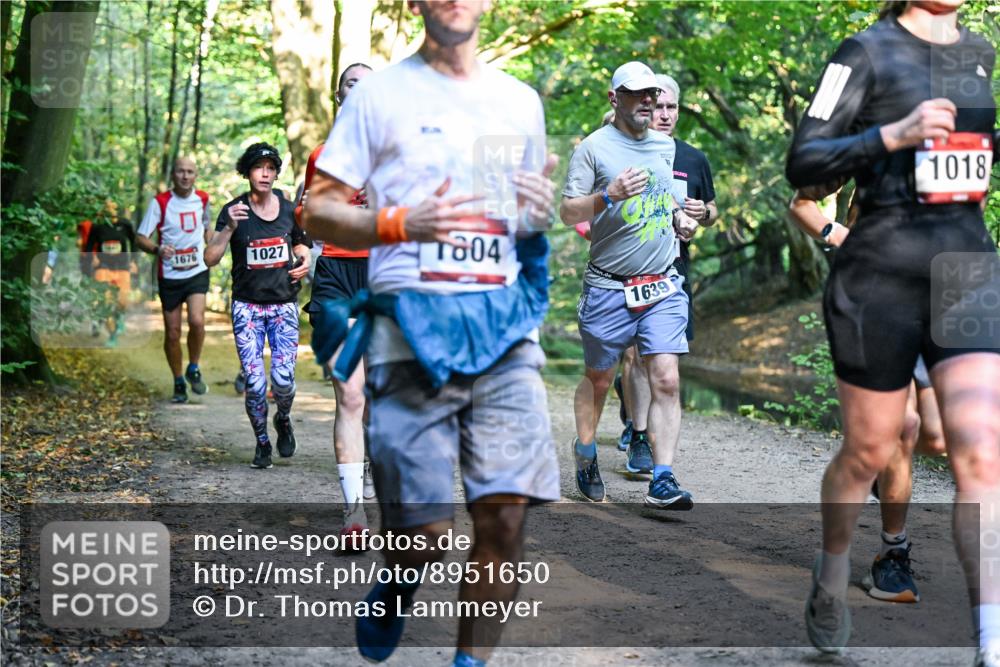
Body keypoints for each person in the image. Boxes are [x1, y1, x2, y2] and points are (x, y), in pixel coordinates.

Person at [303, 1, 559, 664]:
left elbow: (527, 214)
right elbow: (318, 212)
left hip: (502, 332)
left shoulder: (519, 102)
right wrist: (396, 223)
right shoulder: (379, 96)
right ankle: (396, 578)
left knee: (504, 516)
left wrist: (538, 215)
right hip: (407, 333)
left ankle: (468, 661)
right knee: (422, 534)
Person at [786, 1, 1000, 660]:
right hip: (879, 272)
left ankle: (989, 641)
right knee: (869, 450)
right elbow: (804, 164)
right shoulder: (864, 52)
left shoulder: (977, 53)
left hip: (965, 266)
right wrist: (892, 135)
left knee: (982, 455)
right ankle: (831, 575)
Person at [789, 180, 948, 604]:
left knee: (937, 437)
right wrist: (839, 235)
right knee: (904, 425)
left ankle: (883, 467)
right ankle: (892, 553)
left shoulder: (963, 131)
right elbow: (802, 202)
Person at [561, 60, 699, 507]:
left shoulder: (665, 146)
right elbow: (567, 214)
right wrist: (608, 196)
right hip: (608, 286)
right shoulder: (593, 149)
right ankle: (585, 452)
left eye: (651, 94)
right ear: (614, 98)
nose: (648, 102)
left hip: (661, 284)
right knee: (599, 380)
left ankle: (662, 477)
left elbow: (667, 201)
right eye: (637, 94)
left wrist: (682, 220)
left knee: (666, 377)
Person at [615, 73, 720, 453]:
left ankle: (647, 439)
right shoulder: (623, 151)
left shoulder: (693, 158)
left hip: (674, 270)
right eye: (657, 106)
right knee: (634, 354)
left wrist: (701, 212)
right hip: (626, 268)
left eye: (671, 107)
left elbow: (712, 209)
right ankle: (638, 429)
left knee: (662, 365)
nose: (664, 114)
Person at [296, 62, 376, 543]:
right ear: (339, 96)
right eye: (352, 84)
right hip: (336, 275)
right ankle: (354, 511)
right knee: (350, 391)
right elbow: (309, 224)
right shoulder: (321, 156)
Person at [205, 143, 310, 469]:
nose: (265, 173)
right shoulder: (234, 210)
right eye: (258, 167)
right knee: (254, 384)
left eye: (270, 168)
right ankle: (262, 443)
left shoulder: (289, 208)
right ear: (248, 172)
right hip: (247, 309)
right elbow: (210, 258)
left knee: (283, 381)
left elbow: (302, 244)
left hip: (283, 306)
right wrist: (229, 229)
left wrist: (304, 260)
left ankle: (284, 418)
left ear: (276, 173)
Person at [136, 157, 212, 403]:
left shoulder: (203, 199)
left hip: (197, 270)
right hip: (169, 274)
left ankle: (194, 366)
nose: (185, 176)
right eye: (181, 171)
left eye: (190, 172)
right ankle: (179, 380)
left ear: (195, 175)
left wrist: (217, 241)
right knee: (172, 333)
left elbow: (208, 228)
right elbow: (140, 237)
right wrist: (158, 250)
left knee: (198, 321)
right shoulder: (160, 202)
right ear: (173, 174)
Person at [86, 200, 138, 347]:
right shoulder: (98, 226)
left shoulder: (125, 224)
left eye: (111, 207)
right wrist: (93, 257)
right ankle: (112, 336)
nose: (109, 209)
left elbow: (134, 243)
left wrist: (134, 261)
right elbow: (89, 246)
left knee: (122, 302)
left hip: (122, 267)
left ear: (117, 209)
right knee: (106, 302)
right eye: (106, 207)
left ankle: (120, 317)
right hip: (103, 267)